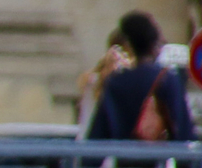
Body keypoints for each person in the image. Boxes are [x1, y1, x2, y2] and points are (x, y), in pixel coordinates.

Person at [83, 11, 193, 143]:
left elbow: (98, 136)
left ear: (130, 44)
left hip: (124, 158)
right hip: (158, 159)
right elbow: (183, 131)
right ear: (154, 43)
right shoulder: (168, 79)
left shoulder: (116, 82)